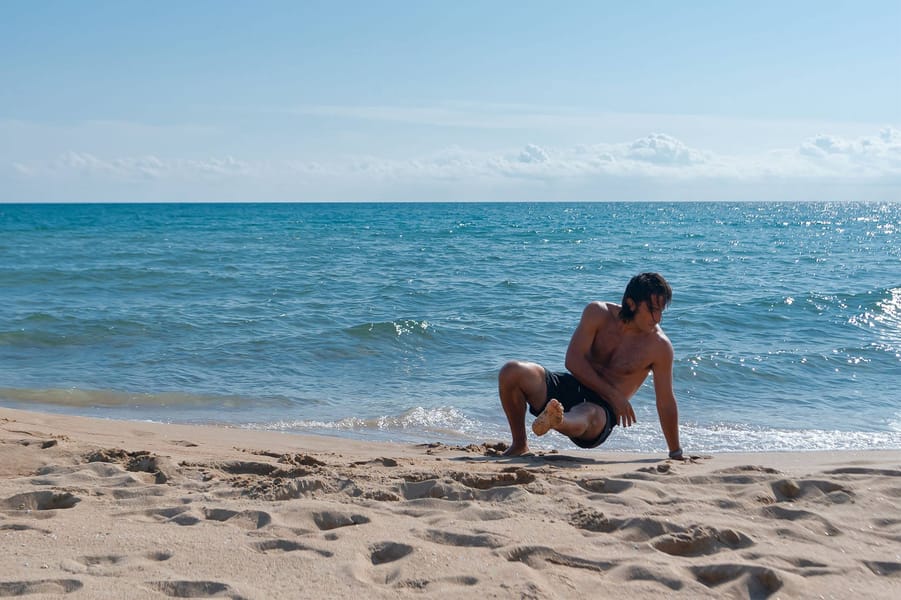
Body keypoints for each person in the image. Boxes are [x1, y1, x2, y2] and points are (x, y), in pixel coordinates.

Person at [497, 272, 683, 459]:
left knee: (587, 413)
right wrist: (615, 395)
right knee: (512, 371)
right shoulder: (598, 313)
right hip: (573, 386)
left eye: (661, 311)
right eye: (652, 309)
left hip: (601, 410)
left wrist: (675, 451)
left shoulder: (659, 347)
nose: (657, 318)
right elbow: (572, 361)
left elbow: (665, 401)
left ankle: (556, 420)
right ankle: (520, 445)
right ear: (631, 303)